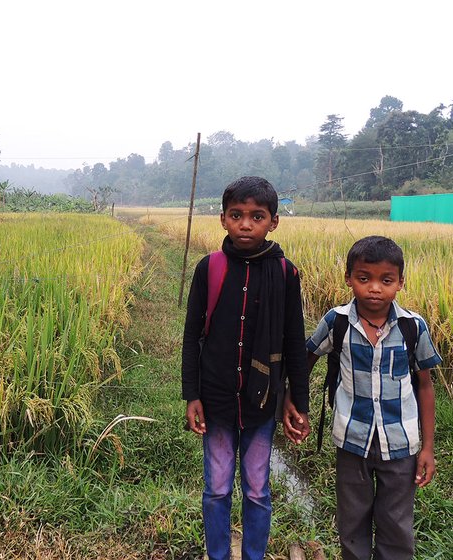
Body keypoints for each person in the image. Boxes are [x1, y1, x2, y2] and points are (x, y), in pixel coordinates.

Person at [283, 235, 442, 560]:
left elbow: (424, 386)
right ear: (348, 278)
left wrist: (427, 448)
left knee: (396, 524)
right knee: (352, 522)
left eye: (386, 280)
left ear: (400, 282)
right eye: (364, 278)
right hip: (351, 442)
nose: (374, 288)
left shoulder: (413, 327)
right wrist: (293, 400)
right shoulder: (337, 321)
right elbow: (306, 359)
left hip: (401, 447)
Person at [181, 176, 309, 560]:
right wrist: (192, 395)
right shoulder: (210, 268)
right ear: (223, 219)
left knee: (257, 489)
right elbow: (191, 338)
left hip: (263, 401)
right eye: (236, 215)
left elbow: (294, 344)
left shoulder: (286, 274)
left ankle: (254, 555)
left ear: (273, 222)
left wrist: (296, 401)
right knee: (217, 488)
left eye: (257, 216)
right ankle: (218, 554)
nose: (246, 224)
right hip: (217, 398)